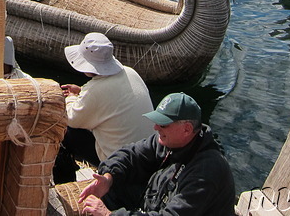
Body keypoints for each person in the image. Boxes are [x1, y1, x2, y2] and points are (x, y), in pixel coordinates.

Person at [78, 92, 236, 216]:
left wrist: (108, 215)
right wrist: (108, 178)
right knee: (110, 189)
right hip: (153, 199)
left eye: (163, 124)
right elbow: (132, 154)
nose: (155, 127)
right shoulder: (171, 141)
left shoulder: (206, 173)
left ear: (187, 129)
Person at [54, 33, 154, 184]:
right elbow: (110, 99)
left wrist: (70, 98)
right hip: (147, 155)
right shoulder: (130, 72)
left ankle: (66, 184)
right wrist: (81, 91)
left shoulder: (95, 89)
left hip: (119, 162)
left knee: (64, 131)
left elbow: (72, 118)